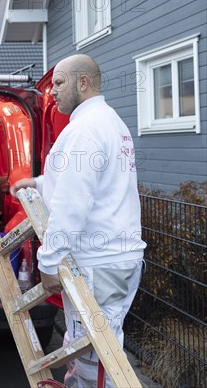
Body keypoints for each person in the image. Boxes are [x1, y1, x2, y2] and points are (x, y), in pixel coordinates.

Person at [10, 54, 146, 388]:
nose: (52, 92)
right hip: (116, 261)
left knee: (92, 357)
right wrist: (40, 184)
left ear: (82, 83)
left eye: (59, 83)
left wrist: (49, 259)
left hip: (98, 265)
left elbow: (73, 202)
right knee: (100, 346)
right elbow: (90, 181)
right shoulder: (108, 122)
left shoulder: (84, 130)